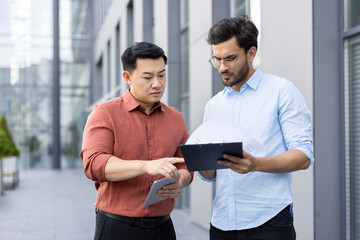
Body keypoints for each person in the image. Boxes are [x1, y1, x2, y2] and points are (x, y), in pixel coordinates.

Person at [198, 15, 314, 240]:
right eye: (217, 59)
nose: (222, 67)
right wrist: (199, 161)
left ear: (251, 53)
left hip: (269, 222)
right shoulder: (213, 105)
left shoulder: (281, 91)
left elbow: (303, 156)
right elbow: (210, 174)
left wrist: (256, 164)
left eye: (230, 59)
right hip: (221, 223)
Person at [80, 42, 193, 240]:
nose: (157, 83)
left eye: (162, 75)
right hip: (117, 227)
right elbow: (94, 165)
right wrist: (146, 166)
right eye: (148, 77)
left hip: (164, 227)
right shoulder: (105, 113)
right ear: (128, 77)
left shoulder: (176, 118)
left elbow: (187, 164)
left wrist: (180, 181)